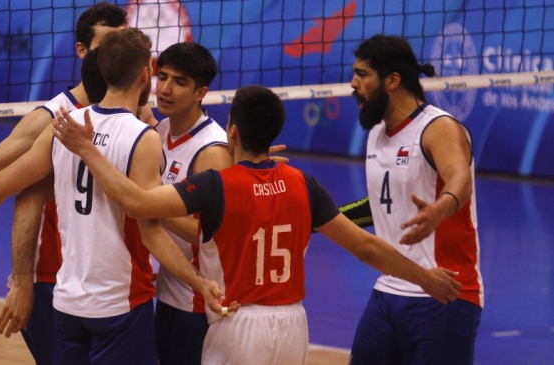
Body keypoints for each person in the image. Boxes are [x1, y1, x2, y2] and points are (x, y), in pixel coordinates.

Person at [49, 84, 462, 364]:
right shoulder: (304, 183)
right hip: (292, 325)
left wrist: (88, 150)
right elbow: (366, 247)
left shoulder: (215, 186)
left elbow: (136, 202)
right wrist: (424, 279)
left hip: (237, 323)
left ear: (231, 130)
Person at [0, 28, 230, 364]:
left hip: (67, 302)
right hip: (120, 303)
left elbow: (2, 184)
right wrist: (198, 281)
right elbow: (150, 230)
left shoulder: (62, 126)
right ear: (146, 75)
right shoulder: (144, 138)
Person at [0, 4, 146, 364]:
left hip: (114, 286)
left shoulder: (136, 112)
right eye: (108, 44)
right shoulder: (52, 118)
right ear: (83, 51)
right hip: (57, 281)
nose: (116, 53)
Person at [347, 34, 483, 364]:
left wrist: (440, 208)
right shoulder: (377, 132)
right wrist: (315, 218)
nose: (352, 84)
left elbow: (459, 179)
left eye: (362, 75)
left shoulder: (439, 128)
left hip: (445, 293)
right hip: (390, 289)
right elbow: (382, 204)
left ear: (393, 80)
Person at [150, 42, 231, 365]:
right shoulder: (160, 129)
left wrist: (150, 205)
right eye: (163, 77)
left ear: (201, 93)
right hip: (169, 289)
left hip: (199, 302)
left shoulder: (212, 151)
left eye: (179, 82)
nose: (166, 89)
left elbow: (215, 234)